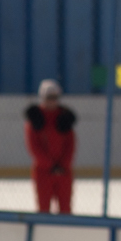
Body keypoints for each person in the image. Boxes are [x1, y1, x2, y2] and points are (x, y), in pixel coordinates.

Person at [25, 79, 76, 214]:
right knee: (43, 209)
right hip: (43, 172)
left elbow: (70, 145)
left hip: (64, 171)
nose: (52, 101)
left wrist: (63, 165)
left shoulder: (64, 118)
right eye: (49, 98)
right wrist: (50, 166)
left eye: (55, 97)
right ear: (42, 98)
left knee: (65, 209)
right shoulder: (35, 119)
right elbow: (34, 147)